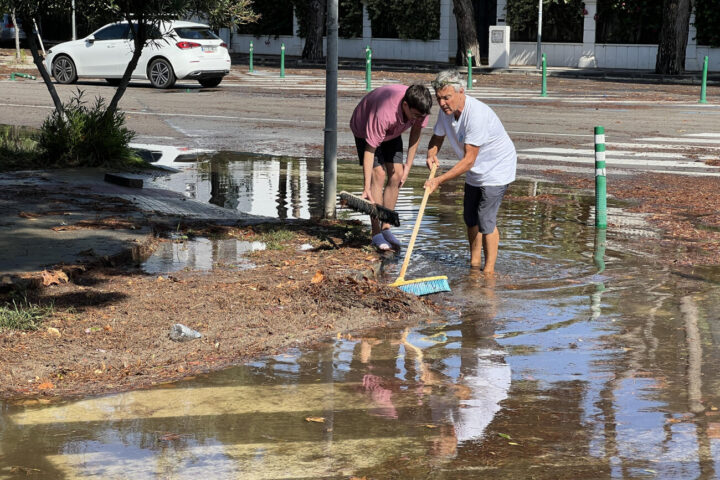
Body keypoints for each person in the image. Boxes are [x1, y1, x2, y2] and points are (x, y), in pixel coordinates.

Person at [424, 69, 516, 274]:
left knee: (485, 219)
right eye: (439, 98)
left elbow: (468, 161)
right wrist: (431, 153)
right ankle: (474, 265)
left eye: (447, 98)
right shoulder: (445, 111)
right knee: (470, 217)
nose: (442, 103)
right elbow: (437, 137)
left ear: (461, 92)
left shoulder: (476, 116)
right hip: (476, 169)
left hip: (497, 167)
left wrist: (439, 180)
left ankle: (489, 271)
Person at [350, 84, 433, 251]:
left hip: (392, 132)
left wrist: (409, 164)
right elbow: (370, 150)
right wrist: (366, 187)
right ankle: (375, 233)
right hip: (365, 128)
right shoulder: (384, 114)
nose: (418, 119)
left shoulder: (421, 110)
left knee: (398, 175)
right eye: (415, 115)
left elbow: (416, 132)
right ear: (405, 106)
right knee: (378, 175)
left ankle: (386, 228)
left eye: (421, 116)